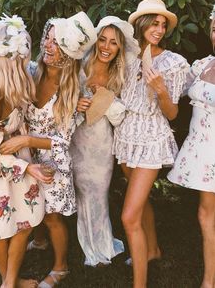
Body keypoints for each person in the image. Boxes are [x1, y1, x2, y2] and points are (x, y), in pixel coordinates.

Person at [0, 12, 97, 287]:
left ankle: (61, 267)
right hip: (25, 157)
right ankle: (39, 241)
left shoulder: (70, 89)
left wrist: (26, 141)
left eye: (55, 43)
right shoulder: (32, 71)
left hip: (53, 161)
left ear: (67, 52)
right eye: (47, 38)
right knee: (29, 207)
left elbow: (62, 141)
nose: (47, 46)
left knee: (52, 217)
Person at [112, 0, 189, 287]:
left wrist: (161, 91)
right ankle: (153, 250)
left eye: (163, 25)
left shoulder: (173, 63)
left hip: (151, 138)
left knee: (129, 217)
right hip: (126, 136)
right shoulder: (128, 59)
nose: (159, 29)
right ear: (140, 24)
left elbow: (172, 114)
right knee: (140, 202)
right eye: (154, 23)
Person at [0, 15, 51, 288]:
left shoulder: (20, 81)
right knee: (1, 233)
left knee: (24, 226)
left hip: (21, 163)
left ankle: (10, 282)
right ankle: (8, 283)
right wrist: (25, 167)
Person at [70, 16, 140, 266]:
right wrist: (76, 104)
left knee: (97, 194)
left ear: (120, 47)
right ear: (95, 40)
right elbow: (62, 101)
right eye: (102, 39)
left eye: (113, 42)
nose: (106, 47)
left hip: (101, 144)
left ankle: (100, 248)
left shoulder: (119, 75)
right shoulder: (79, 66)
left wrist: (109, 101)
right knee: (80, 193)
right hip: (75, 141)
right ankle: (87, 243)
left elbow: (121, 117)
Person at [167, 2, 215, 288]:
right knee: (205, 214)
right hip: (203, 152)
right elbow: (175, 86)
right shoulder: (202, 65)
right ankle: (209, 282)